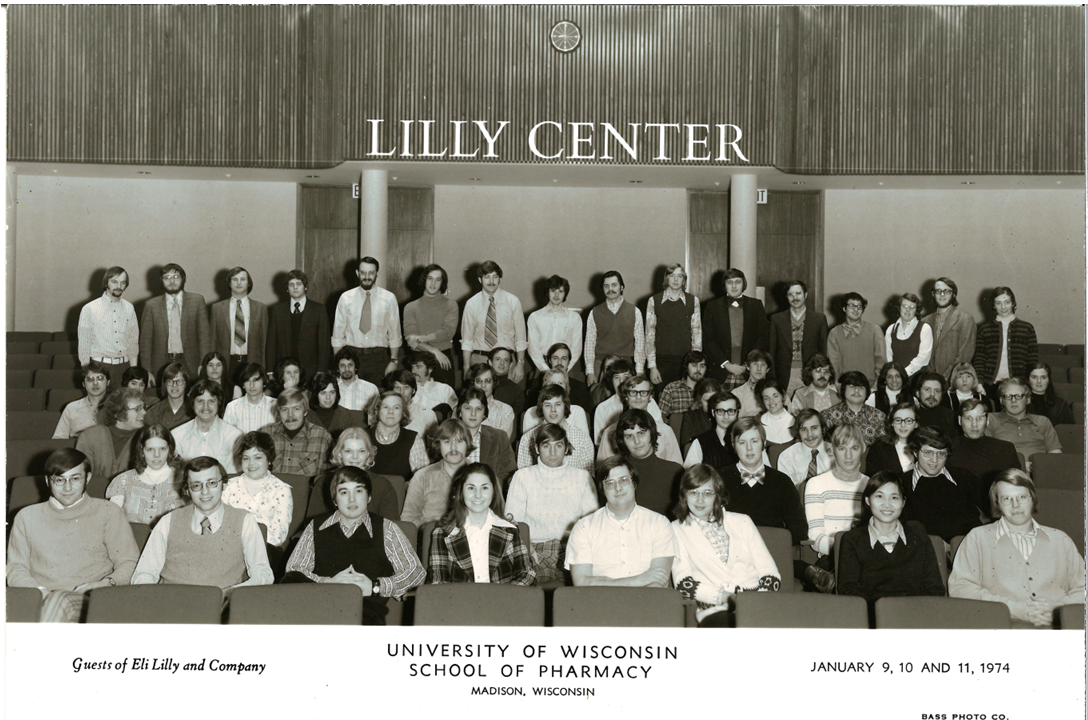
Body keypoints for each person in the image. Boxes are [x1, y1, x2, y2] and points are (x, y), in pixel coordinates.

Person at [6, 448, 140, 622]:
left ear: (88, 478)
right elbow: (16, 568)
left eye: (75, 478)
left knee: (61, 599)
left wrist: (104, 584)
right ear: (48, 481)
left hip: (92, 601)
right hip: (40, 598)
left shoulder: (108, 512)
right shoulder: (26, 516)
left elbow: (129, 562)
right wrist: (41, 592)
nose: (67, 487)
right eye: (59, 480)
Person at [283, 466, 424, 624]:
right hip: (320, 608)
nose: (352, 499)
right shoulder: (316, 526)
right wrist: (327, 583)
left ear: (369, 496)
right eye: (344, 492)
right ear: (335, 499)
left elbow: (416, 573)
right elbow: (294, 569)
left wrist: (375, 586)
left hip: (364, 614)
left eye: (358, 491)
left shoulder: (387, 528)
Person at [950, 469, 1085, 627]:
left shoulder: (1060, 539)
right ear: (997, 503)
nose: (1016, 506)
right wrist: (1015, 609)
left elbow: (1083, 588)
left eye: (1022, 497)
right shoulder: (977, 538)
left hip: (1057, 629)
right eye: (1007, 498)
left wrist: (1058, 609)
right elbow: (961, 589)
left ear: (1033, 498)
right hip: (1001, 628)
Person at [718, 418, 830, 592]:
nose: (749, 448)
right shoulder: (719, 479)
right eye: (742, 442)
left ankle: (802, 569)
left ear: (763, 443)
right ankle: (803, 570)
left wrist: (771, 541)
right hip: (732, 553)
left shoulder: (781, 481)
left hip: (772, 552)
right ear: (733, 445)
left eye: (754, 441)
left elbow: (799, 528)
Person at [131, 456, 273, 590]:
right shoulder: (168, 521)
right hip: (172, 606)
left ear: (223, 484)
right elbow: (144, 573)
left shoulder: (244, 521)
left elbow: (263, 573)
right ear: (187, 490)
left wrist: (233, 594)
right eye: (196, 485)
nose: (205, 492)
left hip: (221, 606)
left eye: (212, 483)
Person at [671, 464, 780, 625]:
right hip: (716, 609)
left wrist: (755, 602)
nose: (700, 500)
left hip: (758, 604)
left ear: (717, 495)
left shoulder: (742, 521)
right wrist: (728, 598)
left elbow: (770, 574)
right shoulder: (676, 529)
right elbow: (683, 583)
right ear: (684, 495)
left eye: (707, 493)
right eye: (693, 493)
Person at [505, 424, 599, 583]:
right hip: (536, 550)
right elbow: (514, 523)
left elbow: (592, 523)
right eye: (546, 445)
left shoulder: (582, 477)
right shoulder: (523, 477)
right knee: (524, 590)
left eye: (559, 445)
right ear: (536, 449)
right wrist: (528, 550)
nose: (553, 452)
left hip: (573, 549)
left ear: (566, 448)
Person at [565, 456, 677, 587]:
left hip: (646, 603)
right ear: (602, 489)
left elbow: (659, 582)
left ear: (634, 483)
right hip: (599, 604)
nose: (618, 488)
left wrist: (605, 583)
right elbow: (581, 583)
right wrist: (640, 580)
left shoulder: (659, 523)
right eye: (610, 483)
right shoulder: (584, 527)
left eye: (623, 480)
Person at [837, 472, 946, 605]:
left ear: (903, 502)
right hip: (870, 617)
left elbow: (934, 589)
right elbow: (848, 590)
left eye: (894, 498)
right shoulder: (852, 540)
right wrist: (882, 611)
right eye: (879, 496)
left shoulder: (920, 540)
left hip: (914, 615)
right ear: (867, 500)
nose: (887, 504)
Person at [425, 463, 535, 585]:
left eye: (484, 488)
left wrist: (507, 596)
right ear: (461, 492)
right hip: (458, 602)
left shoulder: (510, 530)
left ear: (494, 491)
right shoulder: (442, 533)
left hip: (503, 601)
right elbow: (438, 581)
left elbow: (526, 573)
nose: (478, 495)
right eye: (471, 488)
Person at [902, 425, 986, 545]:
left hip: (970, 546)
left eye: (941, 454)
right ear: (915, 452)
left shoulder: (964, 477)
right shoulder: (901, 483)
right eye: (928, 453)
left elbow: (993, 508)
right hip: (926, 551)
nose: (934, 460)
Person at [331, 256, 402, 386]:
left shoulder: (389, 298)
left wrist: (394, 361)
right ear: (358, 273)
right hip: (352, 357)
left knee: (376, 399)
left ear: (377, 274)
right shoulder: (346, 298)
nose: (367, 276)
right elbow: (338, 335)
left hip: (378, 358)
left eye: (371, 273)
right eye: (363, 272)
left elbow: (394, 334)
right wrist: (339, 363)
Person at [804, 423, 869, 565]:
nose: (848, 455)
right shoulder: (816, 484)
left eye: (854, 448)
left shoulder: (870, 485)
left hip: (866, 558)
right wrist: (845, 549)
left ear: (862, 449)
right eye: (841, 449)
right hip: (833, 558)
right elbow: (815, 536)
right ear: (832, 450)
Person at [606, 409, 685, 517]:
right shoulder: (615, 474)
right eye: (629, 436)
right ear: (622, 441)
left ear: (652, 433)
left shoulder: (675, 471)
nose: (637, 441)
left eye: (641, 433)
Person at [139, 263, 211, 381]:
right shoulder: (151, 305)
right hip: (161, 365)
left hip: (191, 363)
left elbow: (204, 336)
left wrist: (203, 364)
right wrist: (147, 371)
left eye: (176, 277)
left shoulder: (197, 301)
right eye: (167, 277)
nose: (171, 281)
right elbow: (145, 342)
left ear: (184, 279)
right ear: (161, 281)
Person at [308, 428, 400, 520]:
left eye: (361, 451)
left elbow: (390, 528)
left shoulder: (383, 485)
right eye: (348, 451)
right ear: (339, 453)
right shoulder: (323, 484)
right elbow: (312, 526)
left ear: (368, 454)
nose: (355, 457)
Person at [460, 260, 528, 383]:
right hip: (479, 359)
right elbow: (467, 340)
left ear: (499, 279)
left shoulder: (513, 301)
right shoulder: (471, 304)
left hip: (505, 361)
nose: (491, 281)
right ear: (480, 280)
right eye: (487, 277)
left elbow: (521, 338)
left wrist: (520, 364)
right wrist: (466, 366)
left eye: (495, 277)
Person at [222, 431, 293, 547]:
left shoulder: (281, 490)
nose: (251, 463)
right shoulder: (228, 487)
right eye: (246, 458)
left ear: (269, 460)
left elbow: (278, 536)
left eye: (258, 457)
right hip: (230, 547)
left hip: (265, 549)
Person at [105, 424, 185, 525]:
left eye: (162, 449)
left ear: (170, 449)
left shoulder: (182, 479)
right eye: (150, 449)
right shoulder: (123, 480)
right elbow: (112, 521)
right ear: (142, 450)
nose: (156, 455)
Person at [702, 268, 769, 388]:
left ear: (744, 284)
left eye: (737, 282)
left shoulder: (756, 305)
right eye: (729, 282)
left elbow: (763, 337)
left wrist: (747, 364)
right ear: (724, 285)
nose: (734, 286)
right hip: (721, 371)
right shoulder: (712, 306)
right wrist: (726, 364)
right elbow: (708, 340)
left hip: (749, 371)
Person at [75, 387, 147, 498]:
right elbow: (79, 478)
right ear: (119, 413)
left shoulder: (147, 438)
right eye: (138, 409)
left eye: (143, 407)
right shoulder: (89, 437)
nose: (144, 412)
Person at [401, 419, 473, 527]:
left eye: (459, 441)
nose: (453, 448)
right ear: (439, 445)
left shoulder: (481, 476)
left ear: (468, 444)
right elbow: (408, 520)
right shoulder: (422, 477)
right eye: (447, 442)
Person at [77, 265, 140, 388]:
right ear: (106, 283)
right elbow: (84, 345)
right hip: (99, 367)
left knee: (122, 405)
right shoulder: (89, 309)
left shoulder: (129, 308)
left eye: (123, 283)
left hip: (124, 367)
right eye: (114, 282)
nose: (119, 286)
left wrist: (133, 369)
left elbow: (133, 342)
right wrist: (87, 373)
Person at [597, 376, 683, 464]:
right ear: (626, 397)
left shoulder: (665, 431)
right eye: (633, 392)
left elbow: (676, 466)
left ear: (650, 397)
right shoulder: (610, 431)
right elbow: (602, 467)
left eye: (643, 392)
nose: (638, 397)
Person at [972, 286, 1039, 394]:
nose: (1003, 307)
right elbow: (980, 358)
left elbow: (1032, 358)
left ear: (1013, 303)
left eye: (1007, 302)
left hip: (1018, 385)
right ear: (993, 305)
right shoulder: (985, 329)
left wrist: (1029, 384)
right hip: (989, 385)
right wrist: (979, 383)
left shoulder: (1027, 328)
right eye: (998, 303)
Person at [645, 264, 702, 388]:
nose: (676, 280)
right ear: (667, 279)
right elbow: (650, 336)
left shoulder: (693, 301)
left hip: (685, 361)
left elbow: (696, 333)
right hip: (661, 361)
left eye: (680, 276)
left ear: (684, 280)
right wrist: (652, 367)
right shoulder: (654, 301)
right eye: (672, 276)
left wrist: (695, 364)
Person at [266, 269, 330, 379]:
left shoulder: (318, 310)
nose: (295, 287)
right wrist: (270, 371)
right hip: (284, 371)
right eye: (291, 284)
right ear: (287, 288)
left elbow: (324, 343)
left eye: (298, 284)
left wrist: (321, 370)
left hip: (311, 372)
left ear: (305, 287)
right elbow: (271, 343)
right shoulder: (277, 311)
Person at [768, 280, 828, 397]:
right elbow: (771, 351)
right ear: (786, 297)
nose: (795, 298)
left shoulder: (819, 319)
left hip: (810, 374)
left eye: (798, 293)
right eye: (791, 294)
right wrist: (773, 378)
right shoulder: (776, 319)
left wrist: (821, 375)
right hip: (785, 375)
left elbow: (823, 350)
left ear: (805, 295)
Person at [403, 263, 460, 387]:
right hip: (419, 359)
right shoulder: (410, 307)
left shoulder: (451, 305)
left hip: (443, 358)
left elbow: (447, 332)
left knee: (444, 402)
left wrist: (422, 338)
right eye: (430, 278)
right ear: (424, 280)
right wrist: (434, 350)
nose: (433, 283)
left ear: (442, 283)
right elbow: (410, 337)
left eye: (438, 280)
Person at [516, 384, 595, 473]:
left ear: (565, 406)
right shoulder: (527, 439)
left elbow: (588, 479)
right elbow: (523, 477)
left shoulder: (582, 439)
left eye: (558, 404)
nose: (553, 409)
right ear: (541, 408)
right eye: (547, 405)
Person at [584, 270, 645, 385]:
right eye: (606, 286)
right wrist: (590, 372)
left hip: (626, 363)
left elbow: (640, 344)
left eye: (614, 285)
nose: (610, 289)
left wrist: (639, 370)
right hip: (601, 363)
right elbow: (589, 344)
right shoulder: (595, 312)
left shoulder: (634, 312)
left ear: (621, 287)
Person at [985, 377, 1062, 468]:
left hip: (1040, 471)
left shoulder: (1043, 421)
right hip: (1006, 473)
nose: (1013, 400)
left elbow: (1056, 454)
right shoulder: (990, 420)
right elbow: (986, 456)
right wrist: (1021, 466)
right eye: (1008, 396)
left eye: (1018, 396)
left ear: (1028, 399)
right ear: (1002, 400)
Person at [211, 266, 268, 386]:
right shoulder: (217, 308)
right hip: (227, 363)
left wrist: (264, 369)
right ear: (229, 283)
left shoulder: (260, 309)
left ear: (249, 283)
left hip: (251, 362)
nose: (238, 283)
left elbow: (264, 342)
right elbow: (212, 340)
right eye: (235, 279)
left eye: (242, 279)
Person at [172, 379, 243, 473]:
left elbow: (233, 476)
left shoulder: (234, 436)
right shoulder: (176, 435)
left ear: (219, 403)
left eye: (211, 401)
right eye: (200, 401)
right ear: (193, 404)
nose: (206, 406)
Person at [258, 388, 332, 477]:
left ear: (305, 411)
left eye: (296, 409)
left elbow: (328, 479)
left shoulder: (322, 437)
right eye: (284, 410)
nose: (290, 415)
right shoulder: (265, 434)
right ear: (279, 412)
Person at [949, 398, 1021, 490]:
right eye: (968, 418)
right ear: (959, 421)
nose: (974, 424)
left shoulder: (1005, 449)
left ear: (987, 421)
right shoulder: (948, 449)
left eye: (980, 418)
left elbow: (1016, 486)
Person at [457, 387, 517, 490]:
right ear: (459, 412)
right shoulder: (449, 437)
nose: (473, 413)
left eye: (479, 409)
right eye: (468, 408)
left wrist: (487, 489)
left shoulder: (499, 437)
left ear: (485, 413)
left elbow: (509, 473)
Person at [592, 359, 665, 442]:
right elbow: (599, 442)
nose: (621, 381)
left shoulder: (648, 402)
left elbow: (661, 431)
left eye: (626, 377)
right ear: (611, 381)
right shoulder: (602, 408)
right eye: (616, 377)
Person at [527, 274, 584, 377]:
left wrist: (565, 369)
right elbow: (533, 348)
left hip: (566, 366)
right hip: (542, 366)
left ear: (565, 293)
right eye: (553, 291)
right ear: (547, 293)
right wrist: (546, 370)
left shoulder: (574, 318)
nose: (556, 295)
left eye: (560, 291)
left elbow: (576, 349)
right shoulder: (535, 317)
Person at [921, 277, 977, 378]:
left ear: (954, 294)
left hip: (955, 379)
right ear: (933, 294)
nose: (942, 294)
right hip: (931, 380)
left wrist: (945, 377)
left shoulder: (965, 319)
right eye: (938, 291)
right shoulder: (924, 321)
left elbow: (965, 355)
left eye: (946, 291)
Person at [827, 291, 886, 385]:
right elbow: (834, 365)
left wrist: (876, 385)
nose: (856, 309)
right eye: (852, 306)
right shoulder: (834, 333)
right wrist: (838, 386)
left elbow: (881, 360)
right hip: (845, 386)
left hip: (870, 385)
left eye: (859, 306)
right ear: (844, 308)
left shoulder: (874, 330)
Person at [368, 391, 430, 479]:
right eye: (385, 407)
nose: (390, 412)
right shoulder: (363, 437)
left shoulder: (414, 439)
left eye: (396, 408)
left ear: (403, 412)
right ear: (377, 411)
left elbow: (422, 479)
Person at [521, 368, 591, 440]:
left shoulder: (578, 411)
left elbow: (584, 440)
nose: (557, 386)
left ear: (567, 388)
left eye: (560, 383)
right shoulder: (531, 412)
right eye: (552, 383)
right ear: (545, 387)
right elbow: (528, 441)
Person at [821, 370, 887, 446]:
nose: (856, 390)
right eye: (852, 386)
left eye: (861, 387)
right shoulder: (829, 415)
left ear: (867, 392)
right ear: (843, 389)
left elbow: (884, 449)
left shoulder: (879, 417)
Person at [525, 342, 593, 414]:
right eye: (555, 358)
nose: (559, 362)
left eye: (564, 358)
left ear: (569, 362)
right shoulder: (536, 386)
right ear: (549, 361)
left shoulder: (580, 388)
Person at [776, 408, 832, 487]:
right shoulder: (787, 457)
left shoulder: (836, 453)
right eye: (804, 430)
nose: (809, 435)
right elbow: (787, 492)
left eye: (814, 428)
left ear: (823, 429)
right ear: (798, 432)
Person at [53, 361, 110, 439]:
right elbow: (59, 438)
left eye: (100, 378)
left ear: (108, 382)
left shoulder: (118, 406)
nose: (95, 383)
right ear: (83, 384)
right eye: (89, 379)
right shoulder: (71, 408)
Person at [684, 391, 740, 468]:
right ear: (713, 412)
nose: (726, 417)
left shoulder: (745, 439)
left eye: (730, 411)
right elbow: (691, 476)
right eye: (720, 411)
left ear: (737, 412)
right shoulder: (700, 443)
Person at [885, 292, 932, 378]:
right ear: (899, 308)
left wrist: (903, 374)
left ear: (916, 310)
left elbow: (923, 358)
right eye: (905, 306)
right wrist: (894, 375)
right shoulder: (891, 329)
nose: (908, 310)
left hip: (917, 379)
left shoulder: (925, 328)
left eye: (912, 307)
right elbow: (888, 356)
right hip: (896, 379)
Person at [864, 401, 918, 476]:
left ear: (916, 424)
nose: (903, 425)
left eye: (908, 421)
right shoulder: (878, 449)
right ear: (892, 423)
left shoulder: (923, 447)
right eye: (898, 420)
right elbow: (875, 481)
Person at [222, 363, 278, 433]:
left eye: (256, 380)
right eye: (247, 381)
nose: (251, 385)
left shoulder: (275, 405)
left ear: (264, 382)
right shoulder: (232, 407)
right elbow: (226, 437)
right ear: (243, 385)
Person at [467, 362, 515, 441]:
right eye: (478, 381)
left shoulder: (505, 410)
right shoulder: (462, 408)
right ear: (473, 384)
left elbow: (501, 444)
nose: (483, 385)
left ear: (494, 383)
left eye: (488, 381)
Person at [306, 371, 360, 438]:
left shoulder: (346, 416)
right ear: (316, 395)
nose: (328, 397)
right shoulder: (306, 416)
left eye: (332, 392)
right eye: (323, 393)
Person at [657, 350, 708, 421]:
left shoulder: (709, 389)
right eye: (694, 365)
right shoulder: (671, 389)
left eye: (702, 366)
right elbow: (659, 417)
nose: (698, 369)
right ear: (686, 368)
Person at [386, 370, 438, 435]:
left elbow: (434, 442)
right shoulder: (385, 414)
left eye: (406, 387)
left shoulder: (427, 414)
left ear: (413, 390)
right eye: (397, 388)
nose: (402, 392)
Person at [408, 350, 457, 419]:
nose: (413, 371)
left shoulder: (445, 390)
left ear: (430, 369)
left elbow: (454, 418)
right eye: (412, 367)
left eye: (418, 367)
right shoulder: (407, 389)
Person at [143, 362, 193, 431]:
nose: (174, 385)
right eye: (170, 381)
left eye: (179, 381)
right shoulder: (152, 413)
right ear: (164, 384)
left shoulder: (195, 410)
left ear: (186, 383)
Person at [488, 346, 529, 430]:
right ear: (490, 362)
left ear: (510, 365)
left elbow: (516, 423)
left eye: (506, 360)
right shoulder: (481, 385)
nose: (502, 363)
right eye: (498, 359)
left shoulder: (517, 391)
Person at [1026, 361, 1075, 425]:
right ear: (1028, 380)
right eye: (1034, 377)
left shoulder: (1061, 405)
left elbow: (1068, 430)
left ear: (1049, 380)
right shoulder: (1021, 402)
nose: (1039, 381)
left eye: (1043, 377)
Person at [679, 377, 722, 449]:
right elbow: (686, 446)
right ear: (700, 399)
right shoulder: (691, 416)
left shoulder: (724, 416)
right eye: (707, 401)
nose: (711, 404)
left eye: (714, 400)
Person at [913, 370, 959, 437]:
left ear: (941, 395)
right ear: (918, 393)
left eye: (937, 391)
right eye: (927, 389)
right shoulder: (911, 416)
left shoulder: (951, 417)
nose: (932, 394)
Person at [334, 347, 379, 412]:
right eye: (342, 365)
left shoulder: (371, 389)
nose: (347, 369)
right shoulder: (332, 389)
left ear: (355, 367)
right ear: (337, 368)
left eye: (350, 365)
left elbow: (375, 416)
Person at [731, 349, 772, 418]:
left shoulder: (777, 392)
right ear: (747, 367)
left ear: (768, 369)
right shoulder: (737, 393)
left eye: (763, 365)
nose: (759, 369)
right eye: (755, 364)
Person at [756, 378, 795, 445]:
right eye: (766, 398)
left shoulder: (796, 422)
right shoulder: (757, 422)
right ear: (763, 401)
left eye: (775, 396)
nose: (771, 401)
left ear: (783, 397)